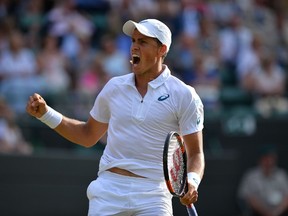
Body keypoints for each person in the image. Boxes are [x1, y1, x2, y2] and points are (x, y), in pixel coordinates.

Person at [26, 19, 205, 216]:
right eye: (133, 41)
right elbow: (87, 135)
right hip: (108, 190)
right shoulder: (114, 87)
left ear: (161, 50)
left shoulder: (184, 95)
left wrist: (192, 181)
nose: (134, 47)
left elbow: (195, 153)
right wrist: (45, 114)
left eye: (143, 42)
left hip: (154, 195)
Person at [238, 144, 288, 216]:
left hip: (279, 212)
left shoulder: (281, 174)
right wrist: (266, 213)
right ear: (260, 159)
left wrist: (276, 213)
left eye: (271, 158)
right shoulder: (251, 175)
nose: (269, 161)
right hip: (257, 213)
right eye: (266, 158)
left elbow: (287, 197)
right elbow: (247, 197)